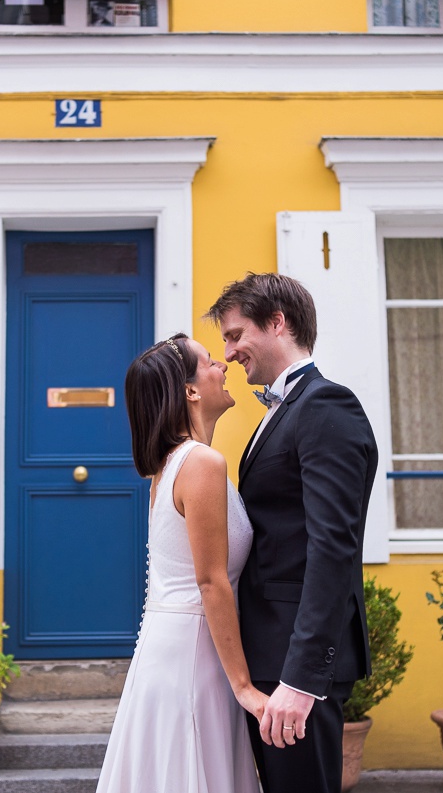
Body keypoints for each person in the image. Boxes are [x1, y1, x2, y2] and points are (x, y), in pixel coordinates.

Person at [206, 273, 378, 793]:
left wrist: (302, 679)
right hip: (268, 654)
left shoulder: (326, 406)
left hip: (295, 666)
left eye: (236, 335)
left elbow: (332, 548)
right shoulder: (278, 412)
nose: (230, 352)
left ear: (277, 323)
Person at [97, 333, 265, 793]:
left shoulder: (171, 465)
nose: (223, 366)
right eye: (211, 362)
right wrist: (245, 687)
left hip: (172, 648)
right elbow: (211, 582)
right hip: (194, 655)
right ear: (190, 390)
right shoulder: (201, 463)